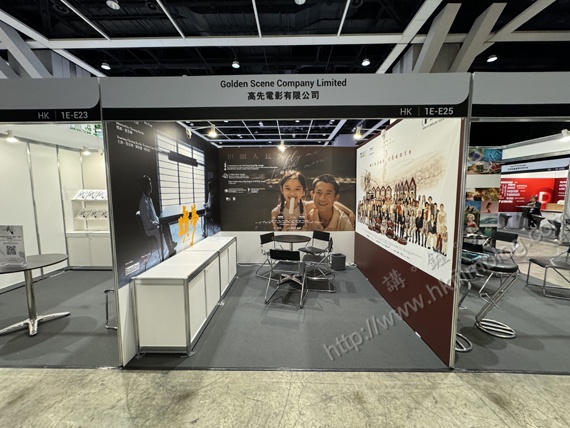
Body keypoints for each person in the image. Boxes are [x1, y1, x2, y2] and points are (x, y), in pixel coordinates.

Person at [139, 175, 176, 258]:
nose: (151, 186)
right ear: (145, 186)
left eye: (150, 184)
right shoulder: (143, 203)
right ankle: (170, 249)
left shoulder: (149, 199)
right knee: (164, 228)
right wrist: (157, 223)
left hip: (153, 225)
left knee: (165, 223)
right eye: (149, 184)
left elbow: (154, 216)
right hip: (149, 229)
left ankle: (171, 243)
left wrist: (160, 221)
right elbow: (147, 223)